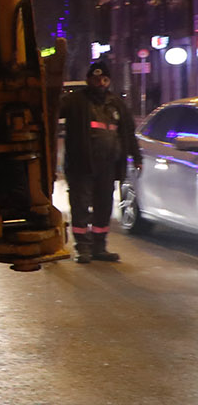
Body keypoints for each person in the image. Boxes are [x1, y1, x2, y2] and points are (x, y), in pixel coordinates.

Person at [59, 58, 141, 262]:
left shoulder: (116, 104)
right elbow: (53, 111)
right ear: (89, 80)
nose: (101, 83)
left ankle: (99, 246)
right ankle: (83, 248)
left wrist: (136, 156)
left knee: (104, 205)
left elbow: (128, 132)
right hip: (82, 165)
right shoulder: (76, 101)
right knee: (81, 205)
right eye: (96, 79)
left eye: (104, 79)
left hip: (108, 165)